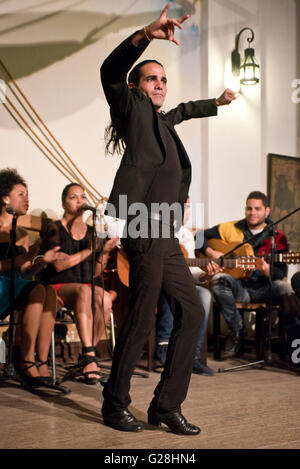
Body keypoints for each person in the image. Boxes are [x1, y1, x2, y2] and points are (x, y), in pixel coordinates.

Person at [100, 3, 235, 434]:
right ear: (137, 86)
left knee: (192, 315)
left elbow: (184, 111)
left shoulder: (162, 122)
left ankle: (164, 406)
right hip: (141, 226)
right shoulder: (133, 109)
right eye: (151, 78)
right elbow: (110, 69)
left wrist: (215, 102)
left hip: (166, 233)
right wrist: (145, 34)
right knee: (140, 319)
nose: (158, 85)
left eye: (162, 80)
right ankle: (114, 402)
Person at [199, 190, 299, 357]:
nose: (252, 213)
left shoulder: (277, 236)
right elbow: (199, 236)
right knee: (218, 280)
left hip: (263, 289)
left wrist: (268, 271)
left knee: (283, 287)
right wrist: (211, 252)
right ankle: (237, 330)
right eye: (249, 208)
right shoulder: (230, 228)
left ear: (267, 211)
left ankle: (282, 340)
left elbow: (280, 272)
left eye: (257, 209)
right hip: (239, 288)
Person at [39, 183, 118, 385]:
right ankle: (90, 355)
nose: (80, 201)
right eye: (73, 197)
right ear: (64, 203)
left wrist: (106, 251)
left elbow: (95, 272)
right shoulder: (54, 228)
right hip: (58, 287)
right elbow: (58, 266)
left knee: (105, 298)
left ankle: (86, 356)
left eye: (82, 197)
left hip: (85, 286)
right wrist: (89, 251)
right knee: (85, 291)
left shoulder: (92, 232)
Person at [0, 168, 64, 388]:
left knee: (49, 290)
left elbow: (25, 272)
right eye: (21, 194)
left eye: (27, 194)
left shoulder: (22, 234)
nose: (26, 199)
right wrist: (23, 258)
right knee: (37, 290)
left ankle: (40, 360)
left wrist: (41, 261)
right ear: (5, 198)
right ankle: (25, 360)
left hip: (15, 285)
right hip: (1, 286)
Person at [155, 197, 218, 376]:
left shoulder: (187, 235)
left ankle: (193, 356)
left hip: (180, 282)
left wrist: (206, 274)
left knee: (204, 295)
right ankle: (163, 346)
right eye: (182, 206)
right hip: (158, 284)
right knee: (172, 285)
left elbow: (191, 269)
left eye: (188, 207)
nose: (186, 211)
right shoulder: (157, 230)